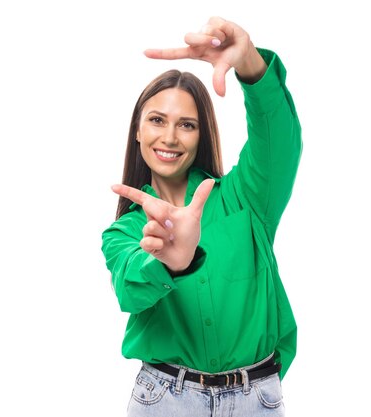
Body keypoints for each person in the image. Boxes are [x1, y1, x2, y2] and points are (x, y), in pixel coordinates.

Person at [101, 16, 302, 416]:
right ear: (137, 131)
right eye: (157, 120)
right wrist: (171, 263)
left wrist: (250, 67)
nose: (170, 137)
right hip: (165, 400)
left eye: (187, 125)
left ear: (202, 134)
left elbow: (278, 138)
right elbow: (130, 288)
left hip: (255, 400)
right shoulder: (124, 231)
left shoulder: (246, 199)